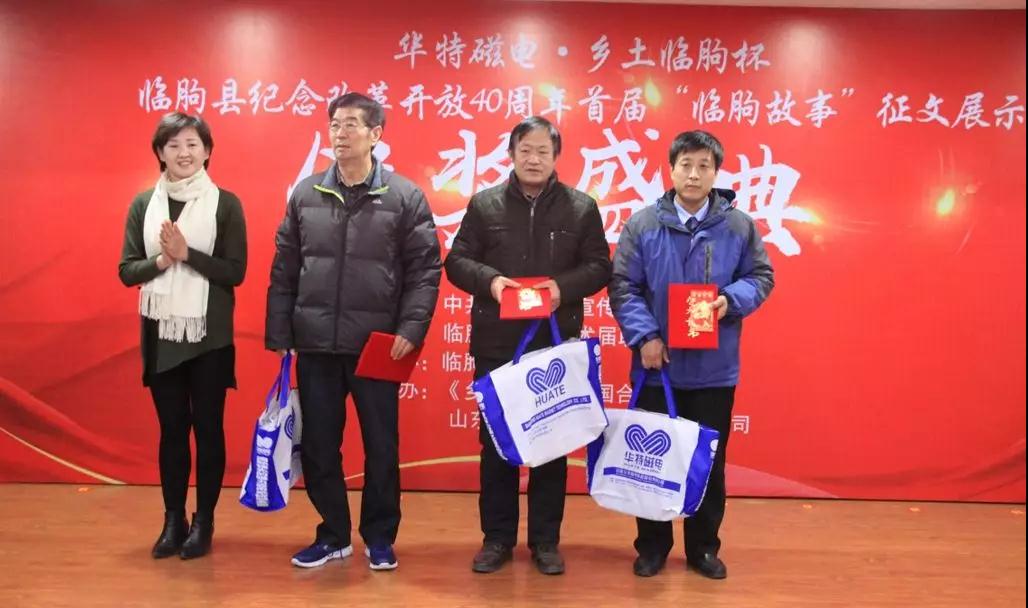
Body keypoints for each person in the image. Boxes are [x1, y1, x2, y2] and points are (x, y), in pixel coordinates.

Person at [266, 92, 441, 571]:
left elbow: (425, 269)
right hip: (316, 342)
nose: (340, 134)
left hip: (378, 345)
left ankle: (379, 537)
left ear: (375, 134)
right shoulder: (307, 194)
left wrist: (411, 327)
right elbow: (285, 267)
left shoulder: (403, 196)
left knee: (381, 445)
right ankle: (333, 533)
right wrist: (280, 329)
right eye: (335, 125)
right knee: (320, 444)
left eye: (351, 125)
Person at [444, 116, 612, 575]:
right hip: (497, 345)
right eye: (525, 150)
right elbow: (456, 262)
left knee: (552, 444)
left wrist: (561, 288)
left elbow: (600, 266)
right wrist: (491, 281)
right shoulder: (485, 205)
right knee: (496, 443)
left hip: (553, 345)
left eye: (542, 151)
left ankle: (545, 541)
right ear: (512, 154)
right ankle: (496, 539)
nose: (533, 159)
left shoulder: (580, 207)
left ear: (556, 157)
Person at [609, 130, 774, 578]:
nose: (694, 174)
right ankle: (652, 547)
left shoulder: (738, 226)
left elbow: (760, 277)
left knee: (708, 463)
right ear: (671, 169)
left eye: (704, 165)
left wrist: (729, 300)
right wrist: (645, 336)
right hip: (655, 365)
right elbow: (623, 286)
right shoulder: (643, 224)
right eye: (686, 164)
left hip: (714, 369)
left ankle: (703, 548)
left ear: (716, 172)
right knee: (651, 460)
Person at [118, 112, 247, 560]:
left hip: (210, 336)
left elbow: (235, 271)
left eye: (192, 144)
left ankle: (204, 522)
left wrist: (186, 253)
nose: (183, 153)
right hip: (162, 335)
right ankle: (173, 520)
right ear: (160, 153)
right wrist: (162, 261)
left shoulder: (225, 204)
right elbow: (126, 271)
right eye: (173, 145)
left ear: (207, 151)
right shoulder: (143, 204)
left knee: (208, 429)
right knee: (172, 430)